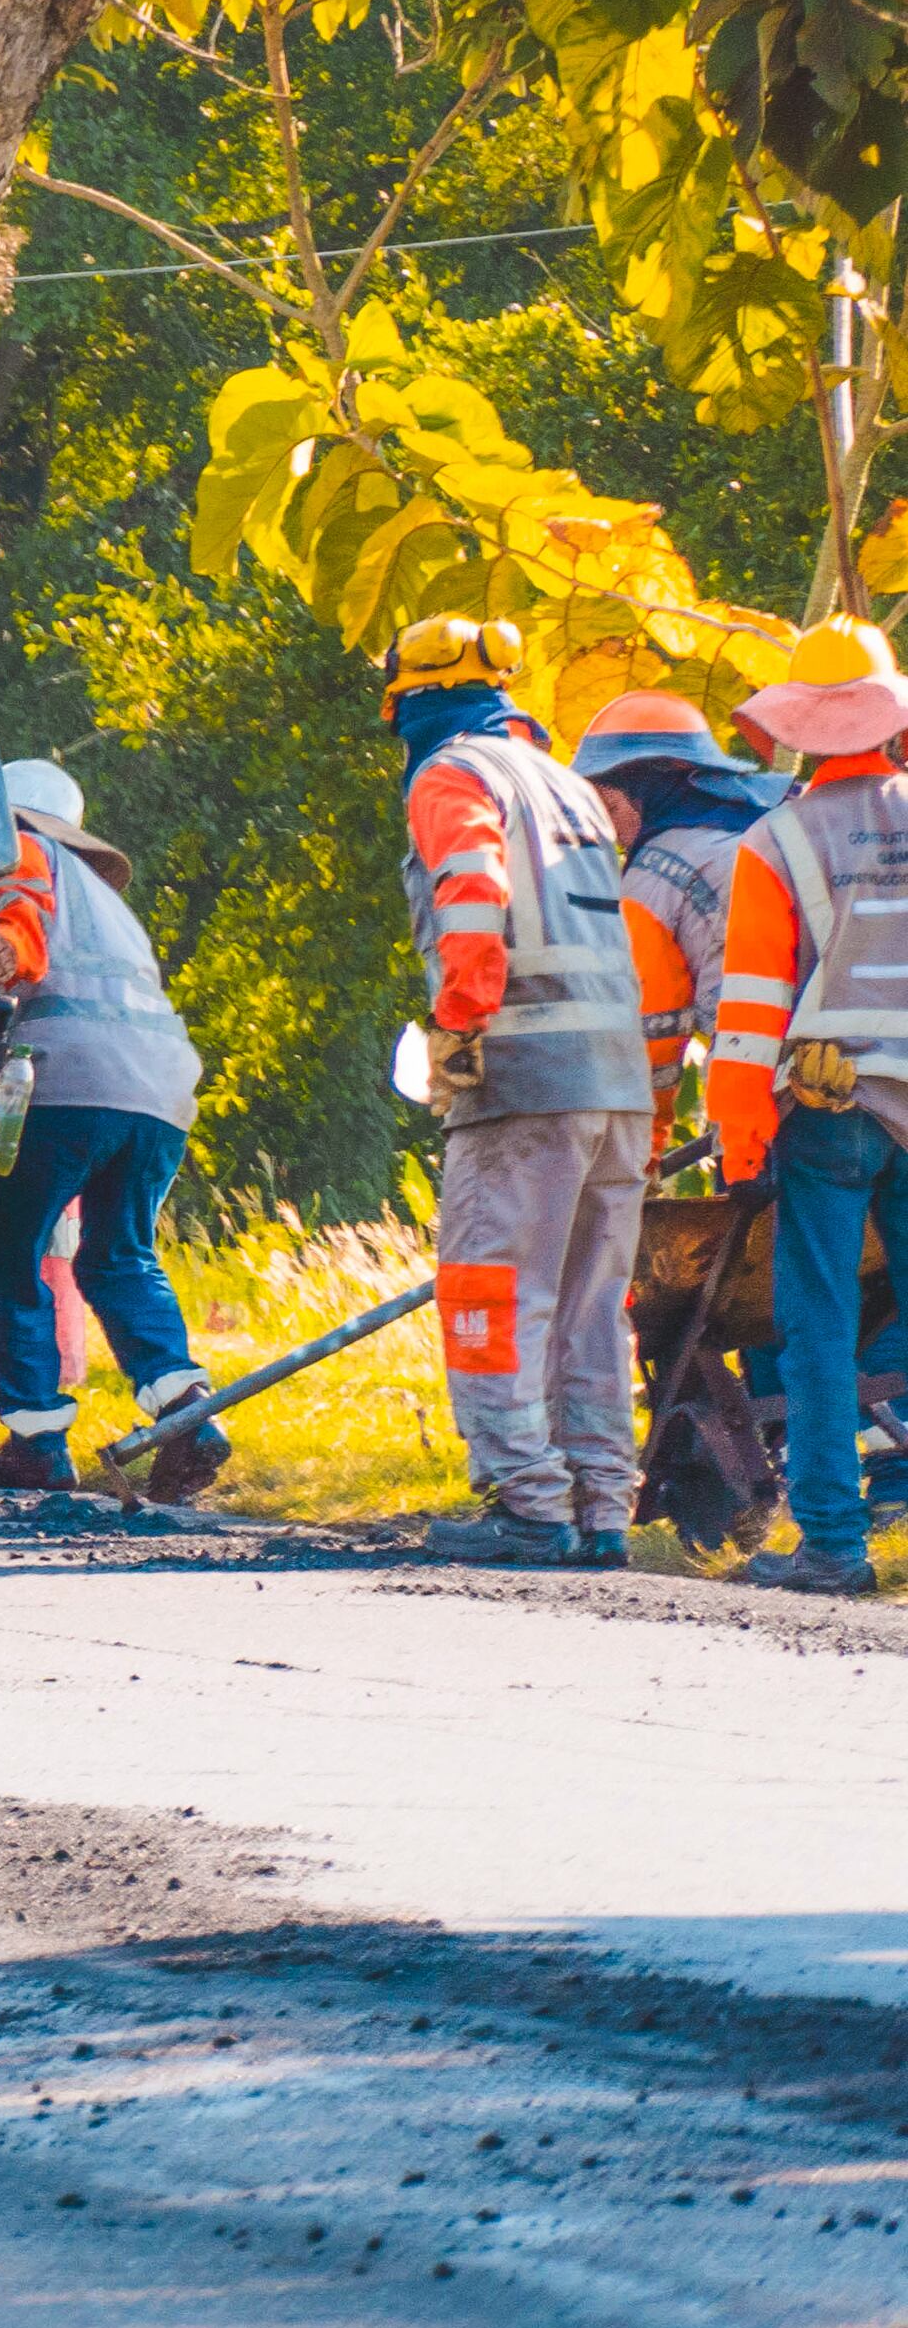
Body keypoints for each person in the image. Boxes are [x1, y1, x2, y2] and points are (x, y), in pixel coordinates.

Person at [389, 612, 653, 1568]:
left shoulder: (453, 772)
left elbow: (471, 895)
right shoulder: (570, 786)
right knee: (592, 1302)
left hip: (526, 1071)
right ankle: (600, 1503)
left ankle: (525, 1501)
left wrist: (461, 1022)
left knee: (491, 1288)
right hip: (618, 1083)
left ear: (410, 699)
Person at [704, 617, 908, 1593]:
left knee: (819, 1325)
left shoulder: (772, 842)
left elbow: (745, 1023)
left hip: (828, 1115)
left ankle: (832, 1543)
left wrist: (741, 1144)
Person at [0, 759, 221, 1500]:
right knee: (118, 1256)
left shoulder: (20, 848)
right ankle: (189, 1419)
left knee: (14, 1249)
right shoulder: (110, 907)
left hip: (70, 1084)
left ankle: (37, 1442)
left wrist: (8, 948)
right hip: (163, 1089)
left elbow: (18, 923)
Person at [578, 691, 797, 1129]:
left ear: (650, 787)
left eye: (610, 806)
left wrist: (647, 1143)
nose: (614, 835)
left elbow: (653, 1028)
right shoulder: (796, 819)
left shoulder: (651, 879)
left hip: (762, 1081)